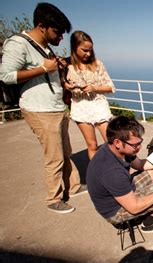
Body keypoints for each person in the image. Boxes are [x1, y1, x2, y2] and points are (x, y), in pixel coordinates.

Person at [0, 2, 83, 214]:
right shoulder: (18, 43)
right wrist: (42, 68)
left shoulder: (44, 47)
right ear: (42, 26)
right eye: (57, 32)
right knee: (53, 156)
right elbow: (5, 75)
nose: (61, 38)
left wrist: (60, 75)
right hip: (39, 109)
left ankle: (73, 186)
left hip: (55, 107)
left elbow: (48, 74)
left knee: (65, 151)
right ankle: (53, 199)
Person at [86, 116, 153, 233]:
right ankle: (149, 224)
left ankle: (151, 208)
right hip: (115, 211)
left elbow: (139, 164)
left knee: (152, 170)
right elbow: (134, 208)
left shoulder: (115, 149)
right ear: (117, 142)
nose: (140, 147)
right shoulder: (112, 172)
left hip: (123, 192)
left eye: (140, 142)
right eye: (135, 145)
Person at [64, 30, 115, 160]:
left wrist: (94, 88)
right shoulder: (65, 64)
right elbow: (58, 83)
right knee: (92, 145)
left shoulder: (98, 64)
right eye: (84, 50)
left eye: (90, 50)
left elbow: (110, 87)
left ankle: (116, 174)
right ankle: (96, 176)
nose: (88, 53)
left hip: (98, 104)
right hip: (80, 106)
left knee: (112, 142)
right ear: (74, 47)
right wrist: (65, 86)